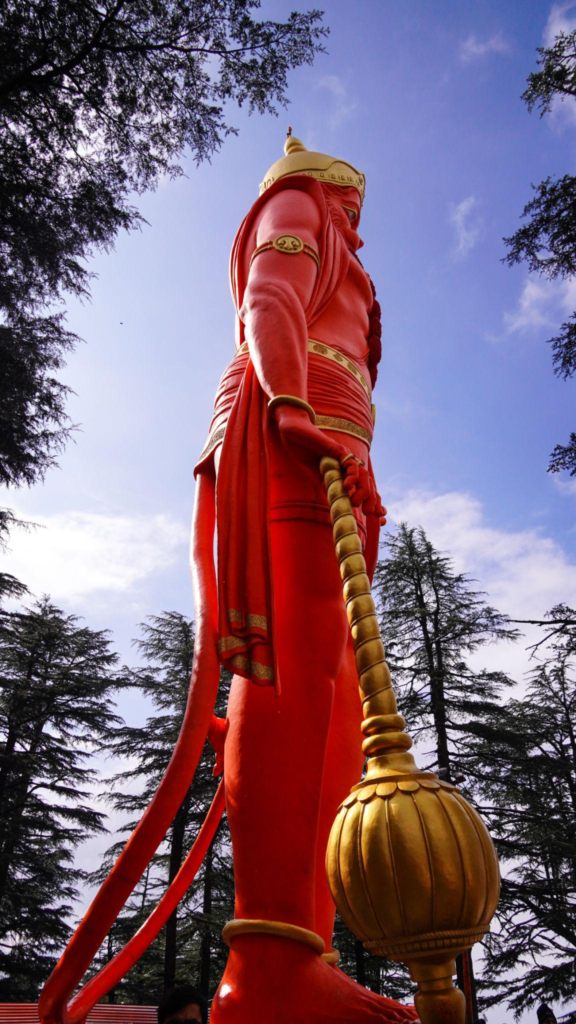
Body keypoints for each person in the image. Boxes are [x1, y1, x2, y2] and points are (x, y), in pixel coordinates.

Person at [193, 133, 417, 1023]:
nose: (356, 221)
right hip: (297, 431)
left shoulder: (339, 245)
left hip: (337, 448)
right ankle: (269, 961)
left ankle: (303, 952)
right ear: (327, 188)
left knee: (330, 698)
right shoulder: (299, 210)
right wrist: (288, 401)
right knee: (289, 670)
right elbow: (270, 297)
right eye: (350, 199)